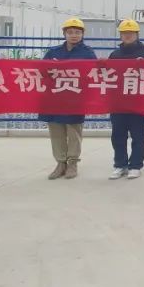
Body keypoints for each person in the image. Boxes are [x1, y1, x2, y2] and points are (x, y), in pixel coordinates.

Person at [41, 17, 97, 180]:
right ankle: (60, 163)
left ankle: (72, 162)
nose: (74, 35)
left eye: (77, 32)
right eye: (70, 32)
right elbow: (42, 71)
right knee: (56, 131)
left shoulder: (87, 53)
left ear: (82, 34)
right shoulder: (53, 52)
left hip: (75, 98)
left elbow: (93, 74)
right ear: (64, 33)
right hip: (55, 98)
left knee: (74, 132)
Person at [108, 18, 144, 180]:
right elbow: (109, 77)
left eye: (131, 33)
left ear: (137, 34)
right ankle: (120, 165)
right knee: (118, 136)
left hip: (138, 103)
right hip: (118, 103)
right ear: (120, 35)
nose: (127, 35)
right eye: (124, 33)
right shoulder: (114, 55)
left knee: (138, 136)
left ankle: (135, 165)